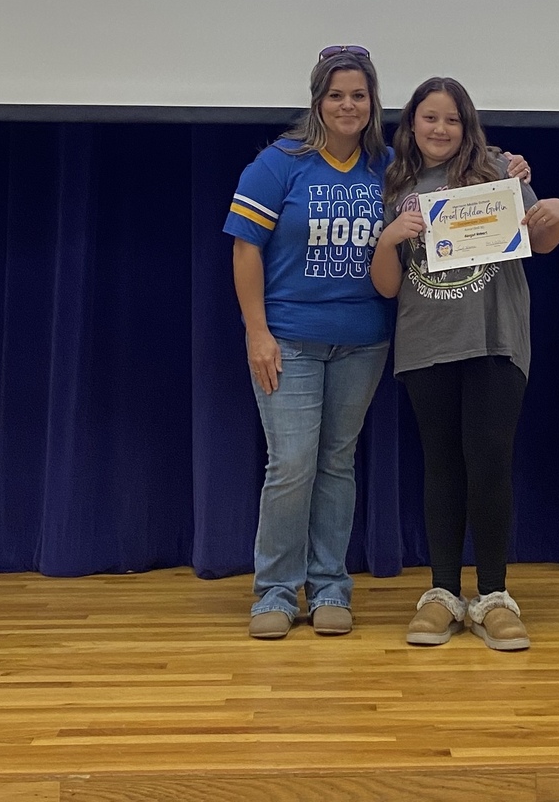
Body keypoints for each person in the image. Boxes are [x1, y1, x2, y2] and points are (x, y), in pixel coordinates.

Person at [225, 49, 532, 640]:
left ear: (374, 105)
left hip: (364, 341)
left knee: (337, 465)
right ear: (317, 100)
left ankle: (332, 586)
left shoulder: (389, 168)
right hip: (289, 338)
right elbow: (245, 250)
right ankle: (277, 591)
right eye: (336, 95)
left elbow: (462, 175)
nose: (348, 105)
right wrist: (257, 331)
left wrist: (509, 166)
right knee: (291, 466)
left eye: (359, 96)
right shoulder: (278, 163)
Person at [370, 76, 559, 651]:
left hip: (495, 341)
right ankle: (441, 594)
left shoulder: (501, 172)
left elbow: (547, 237)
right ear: (411, 125)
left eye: (451, 119)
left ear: (467, 125)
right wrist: (390, 238)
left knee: (489, 463)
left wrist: (554, 208)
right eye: (429, 118)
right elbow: (386, 287)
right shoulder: (395, 185)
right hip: (426, 345)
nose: (440, 129)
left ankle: (493, 597)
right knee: (441, 466)